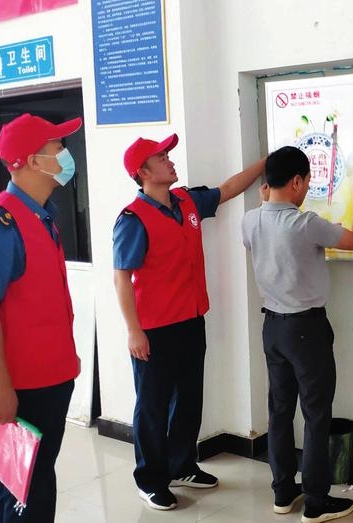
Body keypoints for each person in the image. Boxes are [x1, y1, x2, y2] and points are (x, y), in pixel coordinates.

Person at [113, 134, 266, 511]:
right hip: (154, 329)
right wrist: (134, 330)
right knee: (152, 405)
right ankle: (150, 479)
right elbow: (122, 278)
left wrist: (266, 162)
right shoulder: (133, 219)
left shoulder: (186, 201)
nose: (170, 161)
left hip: (191, 319)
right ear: (143, 172)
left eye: (168, 155)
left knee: (188, 399)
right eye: (161, 157)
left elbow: (228, 189)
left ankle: (181, 465)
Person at [242, 146, 353, 523]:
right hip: (306, 329)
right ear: (297, 182)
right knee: (316, 414)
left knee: (280, 411)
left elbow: (261, 230)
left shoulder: (250, 220)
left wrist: (266, 201)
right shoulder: (304, 224)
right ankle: (316, 501)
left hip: (273, 327)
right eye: (307, 181)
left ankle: (283, 492)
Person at [0, 113, 83, 522]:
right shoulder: (0, 223)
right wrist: (1, 387)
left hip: (52, 378)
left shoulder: (42, 215)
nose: (66, 155)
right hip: (21, 386)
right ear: (34, 161)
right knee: (20, 488)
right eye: (58, 147)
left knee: (38, 480)